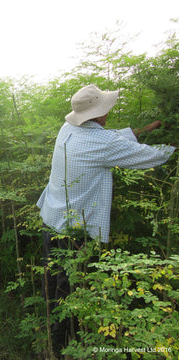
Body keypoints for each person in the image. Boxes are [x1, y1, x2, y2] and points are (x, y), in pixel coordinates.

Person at [36, 84, 176, 354]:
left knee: (51, 280)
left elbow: (109, 138)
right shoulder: (102, 143)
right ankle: (62, 347)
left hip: (50, 216)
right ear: (97, 114)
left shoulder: (69, 129)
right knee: (68, 290)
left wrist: (145, 130)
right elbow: (147, 156)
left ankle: (49, 329)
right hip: (72, 230)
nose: (107, 114)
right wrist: (172, 148)